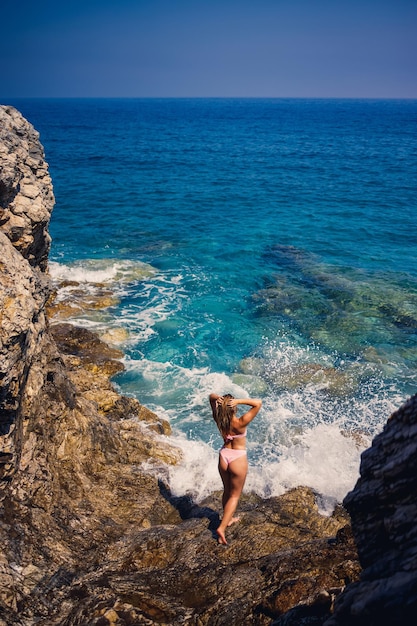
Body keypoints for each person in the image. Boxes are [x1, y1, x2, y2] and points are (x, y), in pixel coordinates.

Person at [209, 392, 262, 545]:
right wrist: (239, 400)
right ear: (234, 408)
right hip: (237, 458)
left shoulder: (219, 420)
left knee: (227, 490)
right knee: (235, 496)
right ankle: (222, 528)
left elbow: (211, 397)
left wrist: (217, 399)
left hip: (224, 456)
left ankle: (228, 517)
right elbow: (257, 402)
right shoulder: (240, 422)